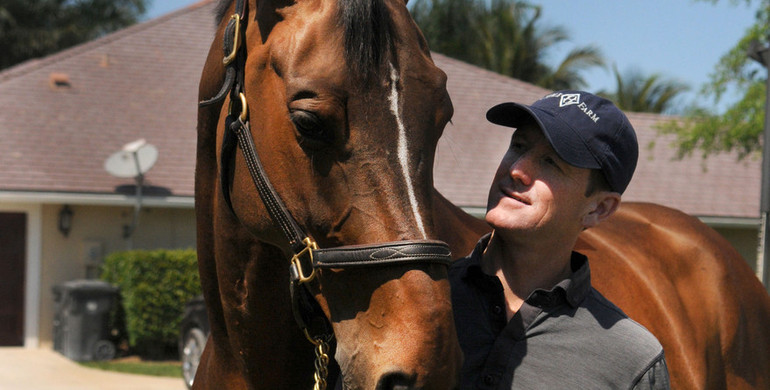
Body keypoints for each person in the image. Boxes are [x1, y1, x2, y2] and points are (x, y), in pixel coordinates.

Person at [450, 90, 670, 389]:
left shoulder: (633, 363)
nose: (517, 169)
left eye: (551, 162)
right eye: (518, 146)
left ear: (599, 208)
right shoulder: (419, 298)